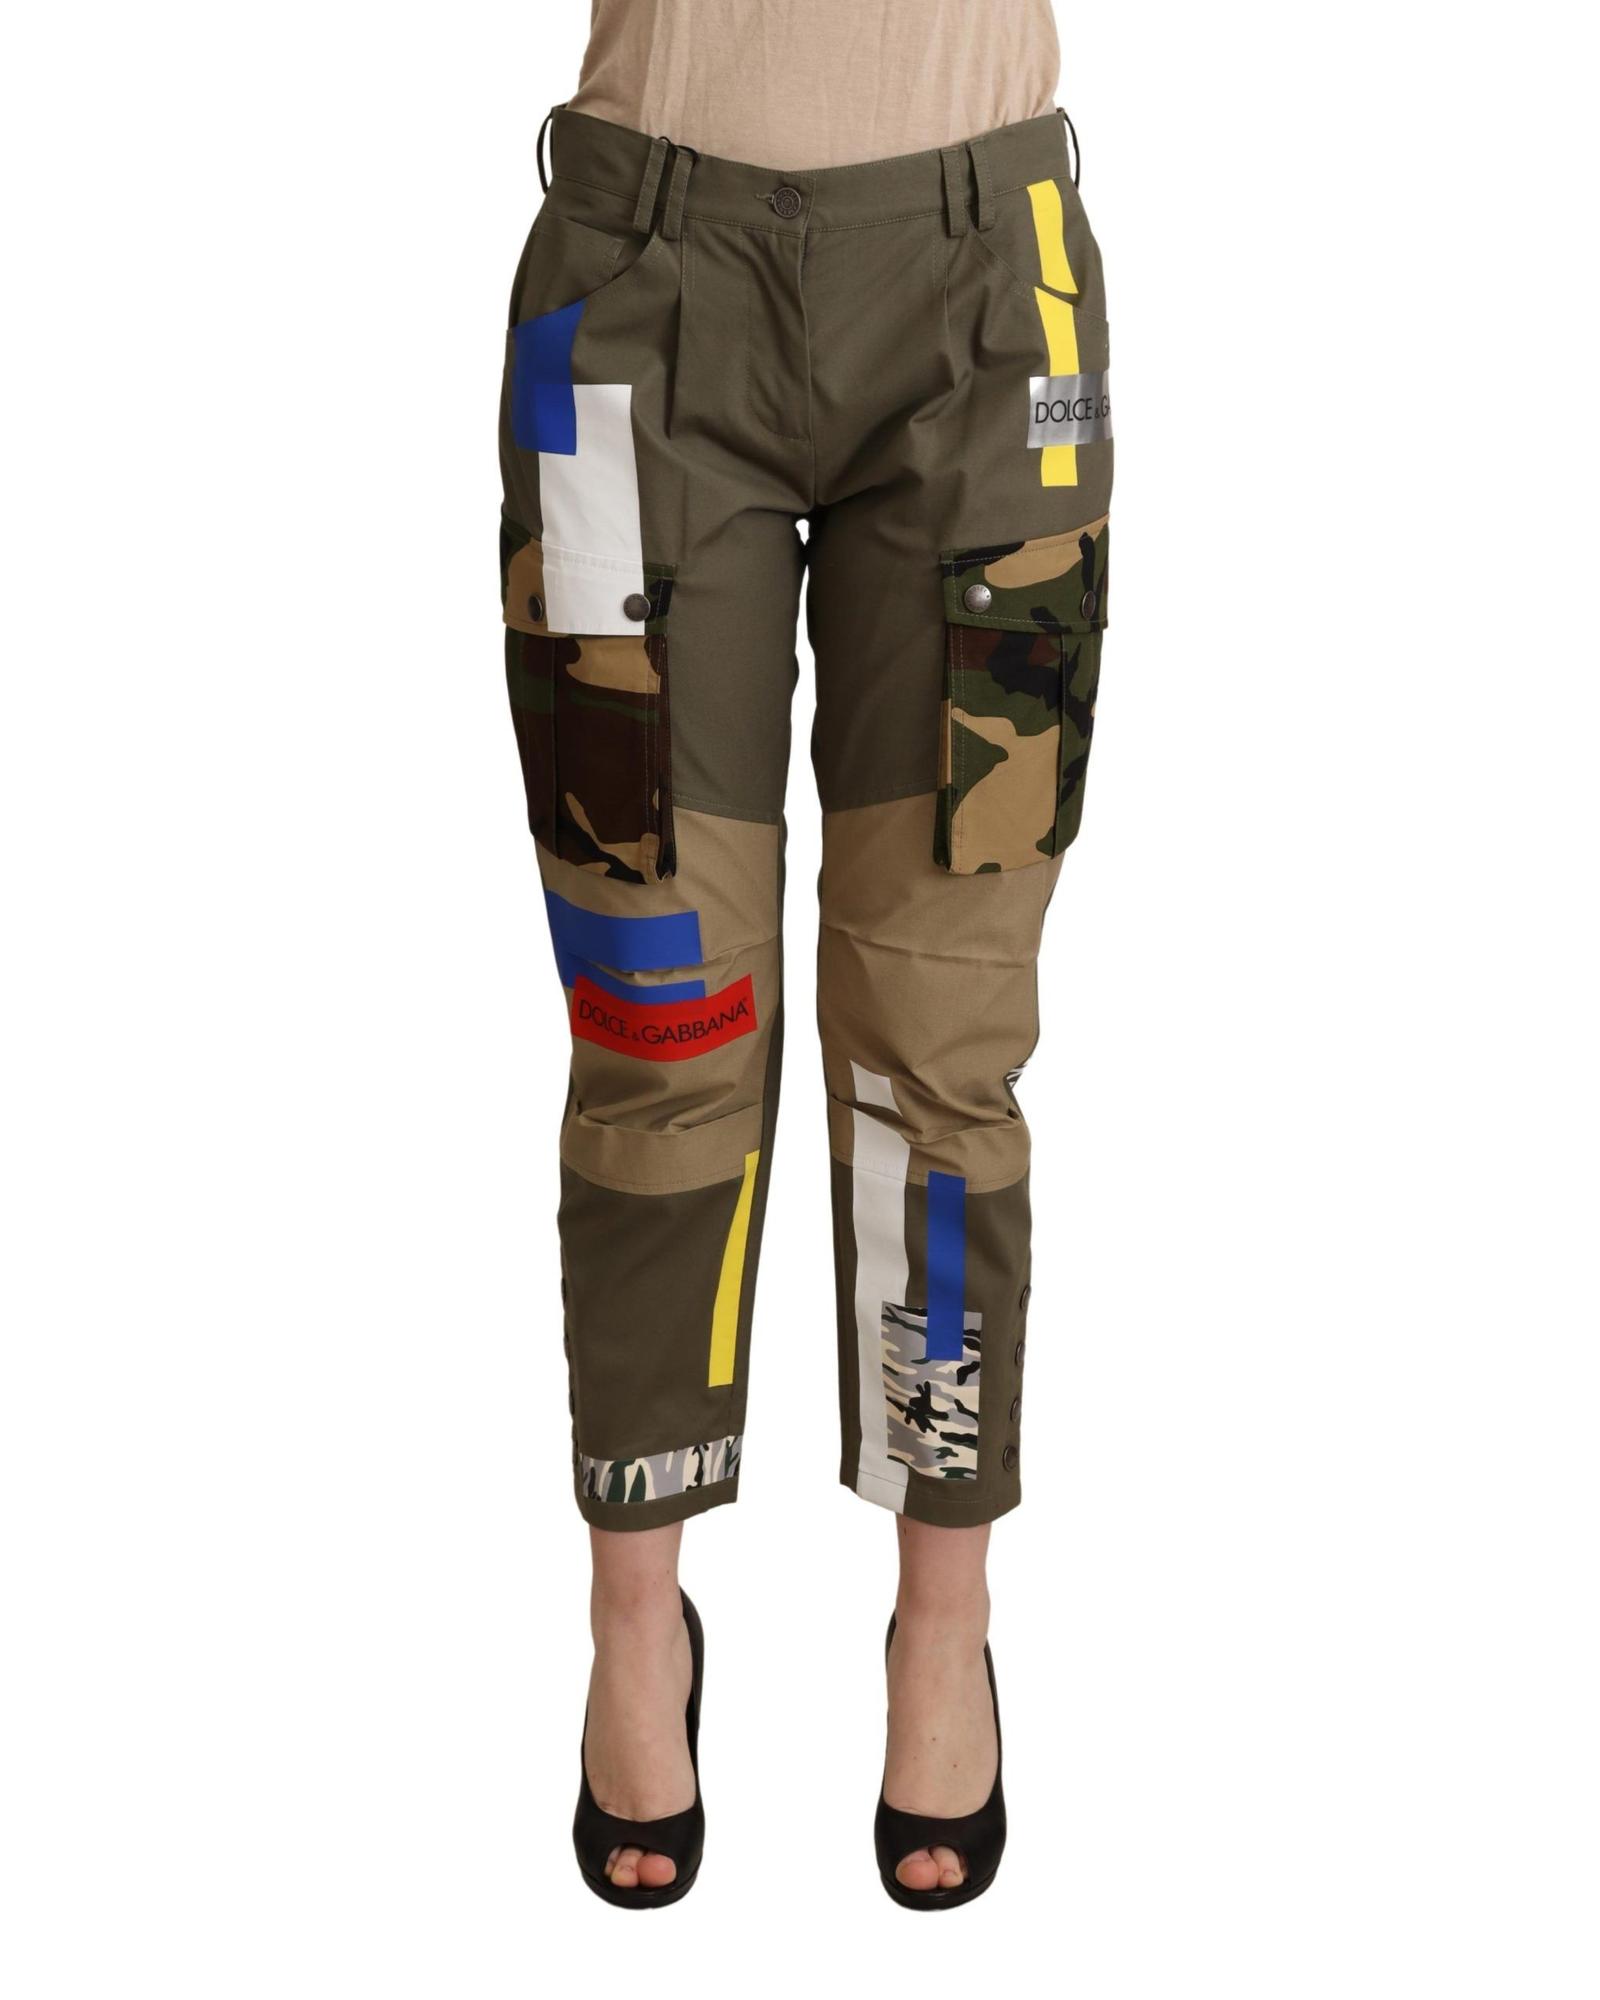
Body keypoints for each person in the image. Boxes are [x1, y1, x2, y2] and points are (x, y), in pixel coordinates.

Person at [497, 0, 1112, 1908]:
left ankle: (945, 1611)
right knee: (656, 1011)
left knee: (943, 1028)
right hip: (635, 285)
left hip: (989, 296)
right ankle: (634, 1610)